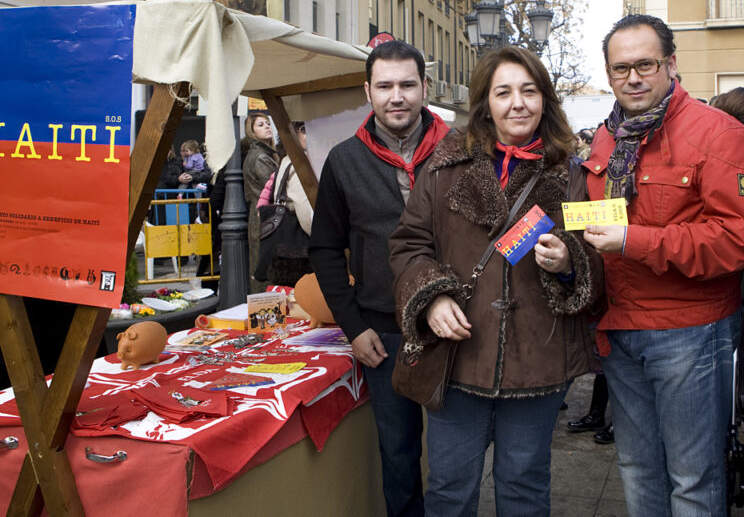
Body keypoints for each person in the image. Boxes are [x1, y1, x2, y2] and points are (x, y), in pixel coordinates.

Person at [390, 45, 599, 516]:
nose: (517, 103)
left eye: (529, 91)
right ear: (485, 102)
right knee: (449, 488)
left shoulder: (570, 175)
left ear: (545, 99)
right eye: (503, 92)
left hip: (538, 361)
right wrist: (432, 298)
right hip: (460, 356)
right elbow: (408, 244)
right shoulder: (444, 167)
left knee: (524, 486)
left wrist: (570, 261)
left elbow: (596, 254)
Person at [582, 13, 744, 517]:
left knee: (693, 478)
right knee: (638, 470)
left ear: (671, 64)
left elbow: (739, 240)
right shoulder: (606, 137)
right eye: (621, 69)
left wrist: (634, 241)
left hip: (690, 332)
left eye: (645, 64)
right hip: (619, 329)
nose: (633, 78)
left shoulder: (718, 134)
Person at [309, 40, 449, 517]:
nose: (397, 97)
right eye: (385, 86)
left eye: (408, 85)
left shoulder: (459, 152)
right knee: (399, 457)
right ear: (367, 91)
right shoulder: (344, 161)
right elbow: (325, 249)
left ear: (425, 88)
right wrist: (353, 325)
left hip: (456, 328)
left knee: (455, 459)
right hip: (383, 334)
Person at [254, 122, 313, 287]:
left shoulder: (289, 160)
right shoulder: (299, 164)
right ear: (293, 134)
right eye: (305, 130)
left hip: (287, 255)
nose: (312, 134)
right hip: (300, 252)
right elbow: (307, 215)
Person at [242, 113, 282, 280]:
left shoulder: (263, 154)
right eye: (260, 125)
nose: (267, 126)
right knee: (264, 267)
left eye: (267, 123)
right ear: (251, 132)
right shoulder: (260, 157)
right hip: (263, 215)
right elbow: (276, 186)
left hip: (262, 215)